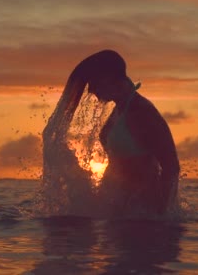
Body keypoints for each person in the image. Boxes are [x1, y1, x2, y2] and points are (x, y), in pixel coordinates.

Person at [43, 50, 180, 216]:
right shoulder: (120, 108)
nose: (91, 90)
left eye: (93, 82)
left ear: (108, 78)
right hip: (121, 209)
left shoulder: (142, 113)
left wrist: (160, 215)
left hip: (141, 214)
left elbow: (171, 166)